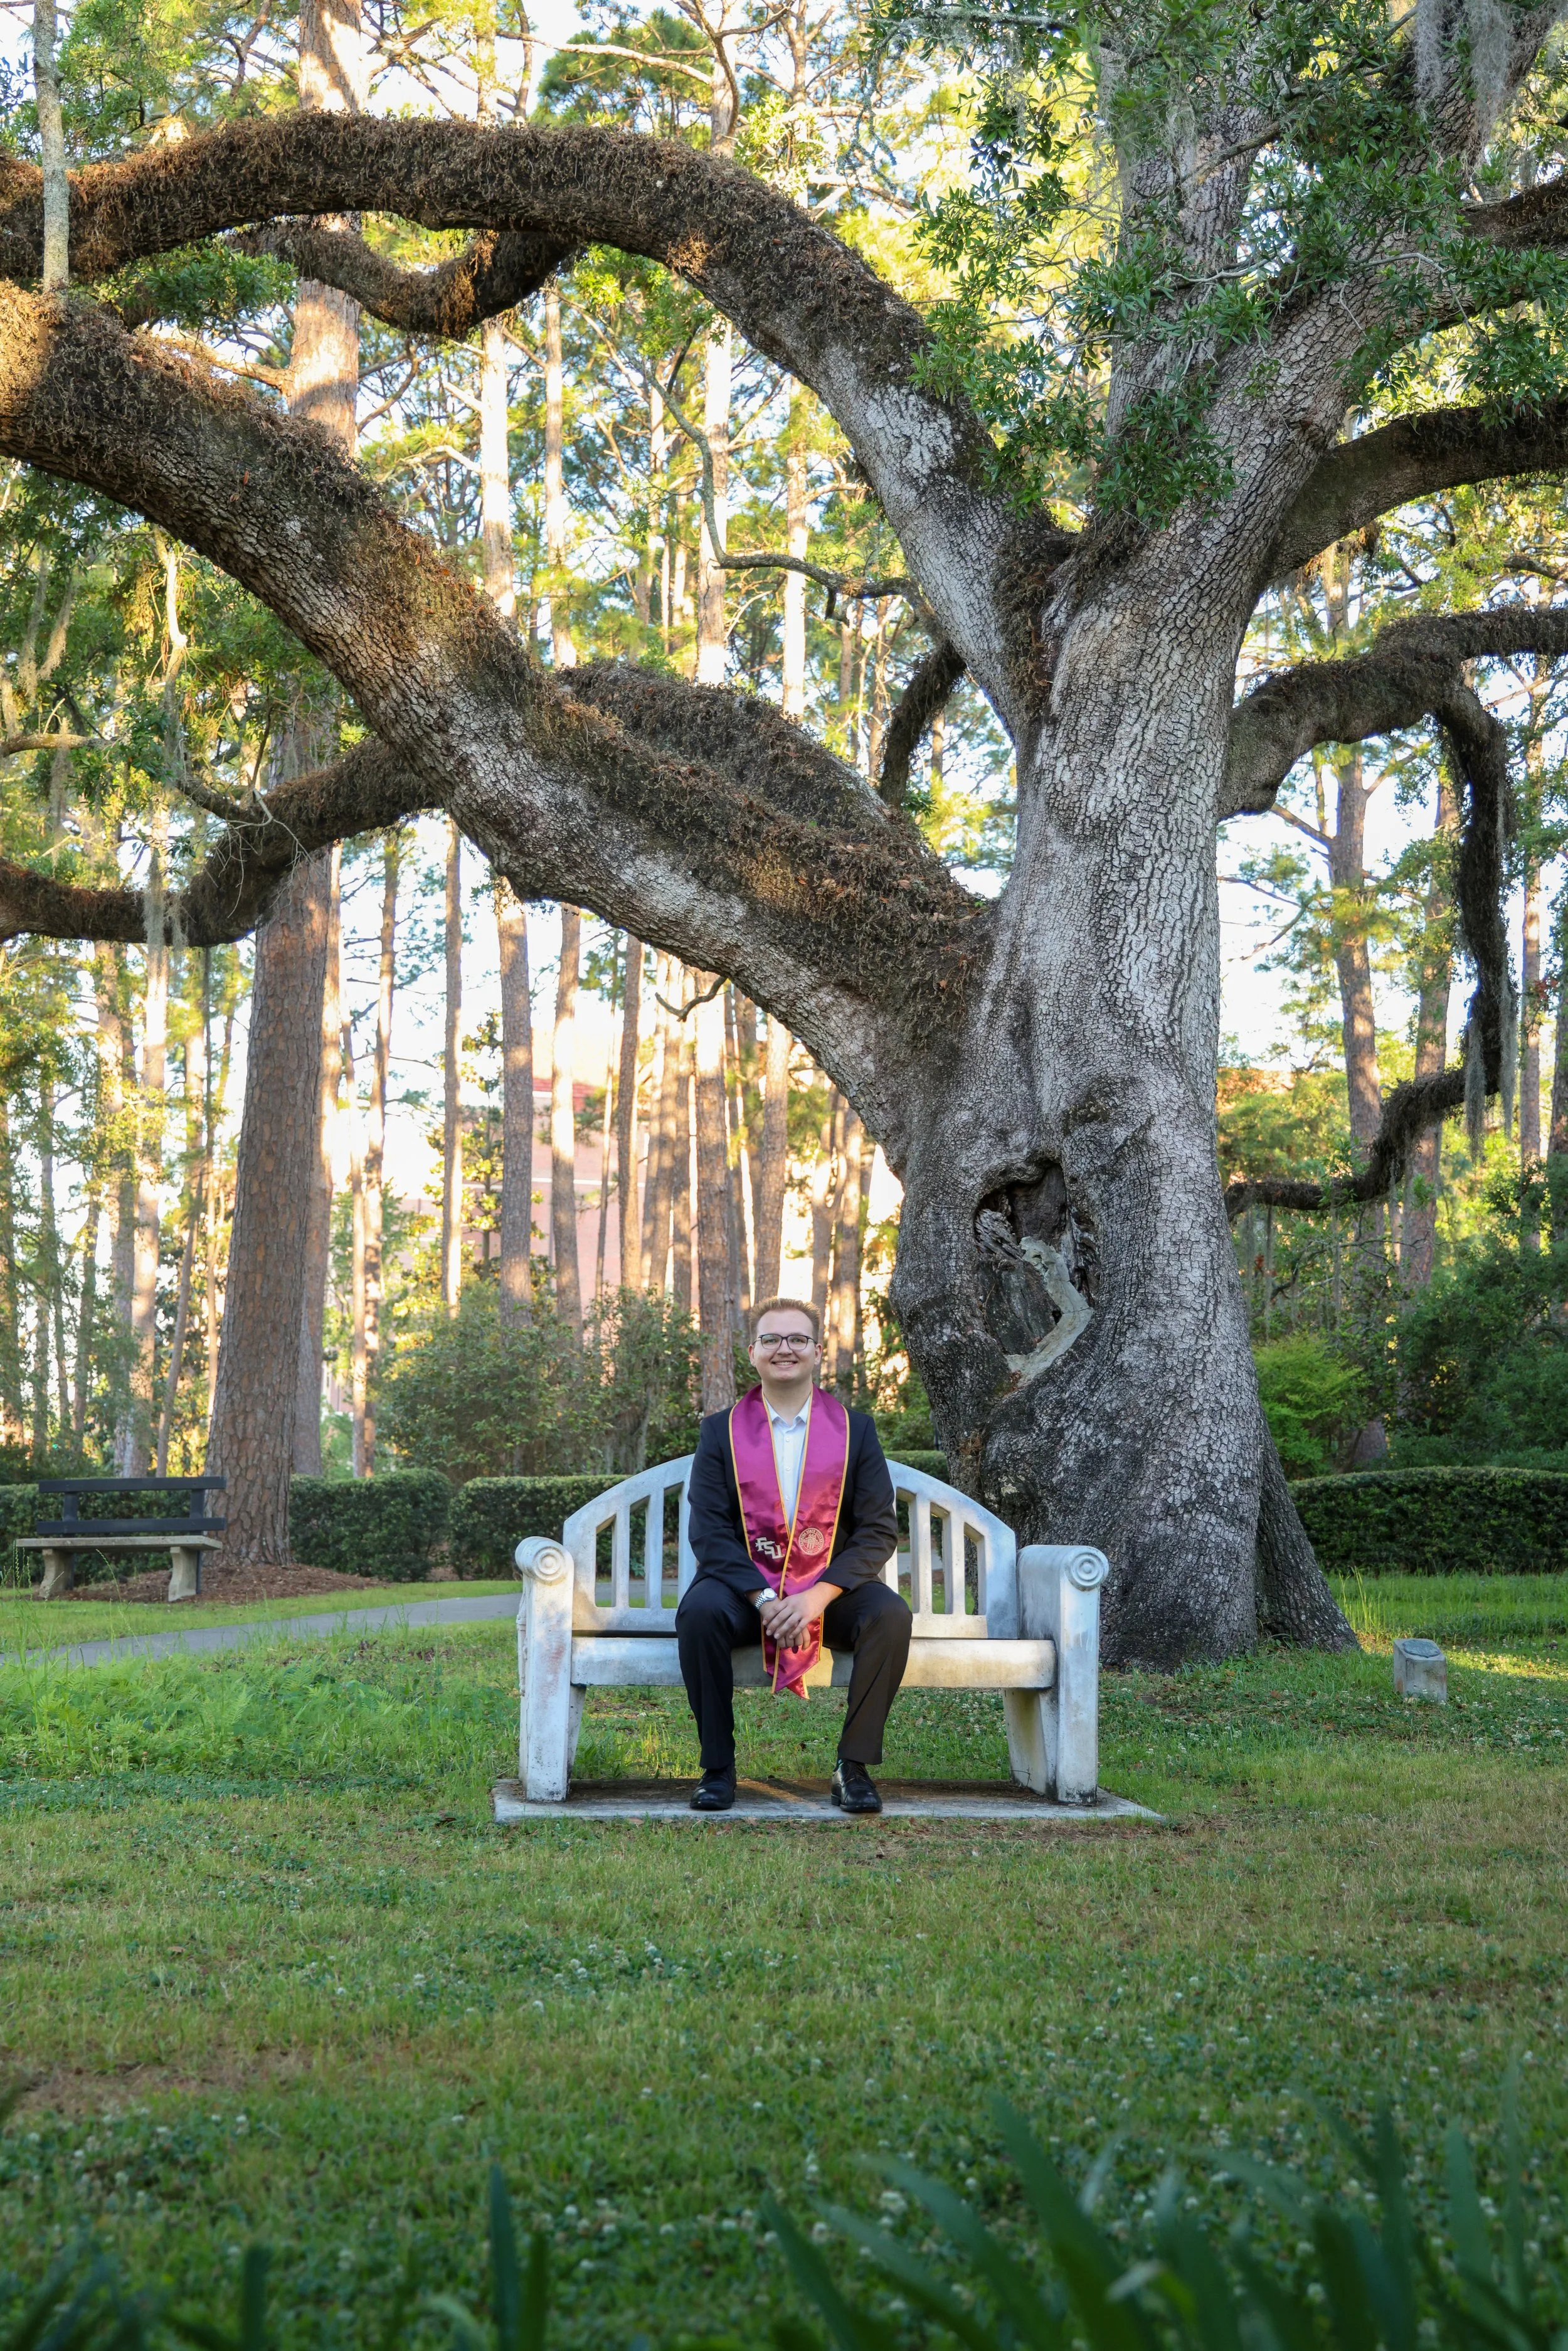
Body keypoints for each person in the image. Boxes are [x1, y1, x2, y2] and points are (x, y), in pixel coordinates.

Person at [675, 1296, 910, 1813]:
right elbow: (710, 1532)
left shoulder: (856, 1431)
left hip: (827, 1591)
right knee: (699, 1613)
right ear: (753, 1353)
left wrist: (815, 1598)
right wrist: (764, 1598)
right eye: (772, 1340)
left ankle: (853, 1767)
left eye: (798, 1339)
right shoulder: (720, 1432)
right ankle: (717, 1767)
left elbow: (877, 1530)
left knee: (889, 1615)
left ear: (818, 1351)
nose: (786, 1349)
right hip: (744, 1592)